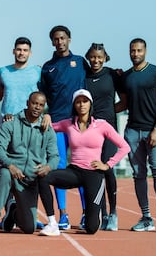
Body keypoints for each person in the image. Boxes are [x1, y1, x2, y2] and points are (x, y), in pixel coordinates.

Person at [39, 89, 130, 235]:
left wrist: (107, 165)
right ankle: (52, 222)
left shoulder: (102, 125)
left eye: (85, 101)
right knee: (43, 177)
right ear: (74, 105)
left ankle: (94, 216)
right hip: (74, 171)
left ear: (90, 104)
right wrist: (47, 116)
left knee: (91, 228)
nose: (82, 105)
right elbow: (48, 127)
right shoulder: (68, 124)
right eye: (78, 102)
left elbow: (125, 147)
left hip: (94, 174)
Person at [0, 91, 59, 236]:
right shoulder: (11, 123)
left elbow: (55, 156)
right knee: (4, 174)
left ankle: (13, 211)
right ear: (27, 103)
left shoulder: (47, 129)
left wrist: (48, 167)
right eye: (34, 103)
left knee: (29, 228)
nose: (37, 107)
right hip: (10, 172)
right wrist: (10, 165)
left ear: (44, 107)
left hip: (30, 181)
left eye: (41, 105)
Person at [117, 38, 156, 233]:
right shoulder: (126, 77)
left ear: (145, 51)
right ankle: (146, 217)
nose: (135, 54)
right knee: (138, 175)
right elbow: (122, 105)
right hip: (132, 132)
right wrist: (98, 111)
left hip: (152, 130)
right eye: (132, 51)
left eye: (139, 50)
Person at [39, 25, 89, 230]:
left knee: (82, 166)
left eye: (63, 38)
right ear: (52, 42)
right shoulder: (47, 67)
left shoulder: (81, 63)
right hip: (58, 123)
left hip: (79, 123)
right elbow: (43, 96)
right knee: (59, 167)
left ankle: (87, 213)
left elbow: (97, 74)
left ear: (69, 39)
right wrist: (47, 113)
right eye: (56, 39)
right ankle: (63, 215)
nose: (59, 42)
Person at [84, 43, 123, 231]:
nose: (96, 60)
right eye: (92, 57)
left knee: (108, 169)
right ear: (88, 57)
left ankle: (113, 213)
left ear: (105, 57)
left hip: (109, 130)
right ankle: (102, 213)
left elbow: (124, 102)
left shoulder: (112, 75)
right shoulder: (84, 76)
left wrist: (108, 115)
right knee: (95, 172)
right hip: (90, 131)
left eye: (99, 57)